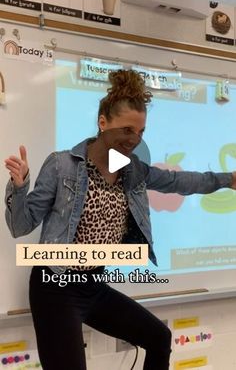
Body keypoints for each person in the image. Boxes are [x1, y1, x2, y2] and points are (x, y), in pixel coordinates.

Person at [4, 69, 236, 370]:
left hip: (92, 284)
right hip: (55, 287)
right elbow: (19, 225)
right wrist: (19, 187)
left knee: (158, 337)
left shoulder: (133, 170)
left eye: (140, 132)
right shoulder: (63, 166)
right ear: (103, 123)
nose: (134, 139)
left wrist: (228, 178)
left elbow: (180, 182)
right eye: (127, 130)